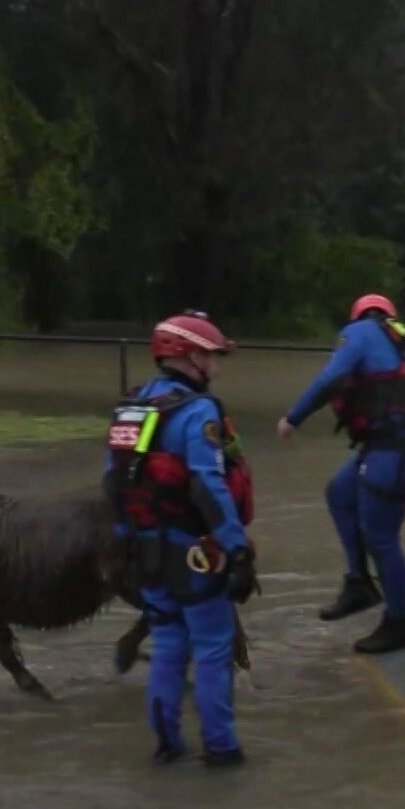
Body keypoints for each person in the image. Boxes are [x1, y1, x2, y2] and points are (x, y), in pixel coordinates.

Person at [104, 310, 256, 767]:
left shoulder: (129, 407)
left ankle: (166, 745)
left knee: (168, 643)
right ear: (190, 357)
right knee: (212, 648)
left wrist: (125, 542)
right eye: (212, 355)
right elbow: (208, 485)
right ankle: (221, 749)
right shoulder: (199, 411)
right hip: (194, 552)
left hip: (144, 550)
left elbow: (112, 482)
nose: (217, 365)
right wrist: (237, 549)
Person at [278, 294, 405, 655]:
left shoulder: (360, 332)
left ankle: (400, 622)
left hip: (394, 451)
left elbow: (333, 376)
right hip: (395, 447)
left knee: (381, 536)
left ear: (359, 316)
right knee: (340, 493)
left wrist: (293, 418)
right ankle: (359, 583)